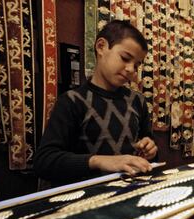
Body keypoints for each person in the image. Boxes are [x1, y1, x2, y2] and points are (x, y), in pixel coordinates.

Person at [34, 20, 158, 186]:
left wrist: (150, 151)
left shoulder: (138, 101)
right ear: (101, 47)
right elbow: (44, 161)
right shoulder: (72, 101)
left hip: (129, 192)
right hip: (87, 198)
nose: (130, 69)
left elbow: (148, 150)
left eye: (136, 65)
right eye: (125, 58)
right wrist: (99, 161)